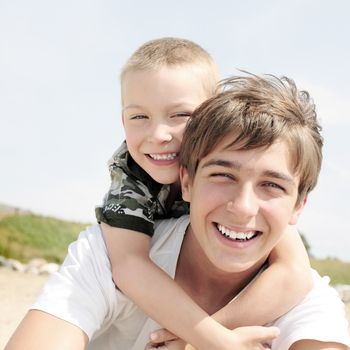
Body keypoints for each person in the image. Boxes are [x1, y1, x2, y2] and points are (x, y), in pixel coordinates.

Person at [6, 74, 350, 350]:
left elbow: (295, 275)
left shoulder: (308, 304)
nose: (243, 208)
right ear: (185, 181)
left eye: (272, 185)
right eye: (223, 175)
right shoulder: (107, 251)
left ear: (299, 204)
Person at [94, 37, 311, 347]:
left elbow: (294, 274)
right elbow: (130, 266)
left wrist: (196, 339)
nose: (158, 135)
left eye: (180, 115)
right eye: (139, 117)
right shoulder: (131, 175)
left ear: (213, 115)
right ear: (122, 120)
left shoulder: (244, 181)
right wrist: (216, 341)